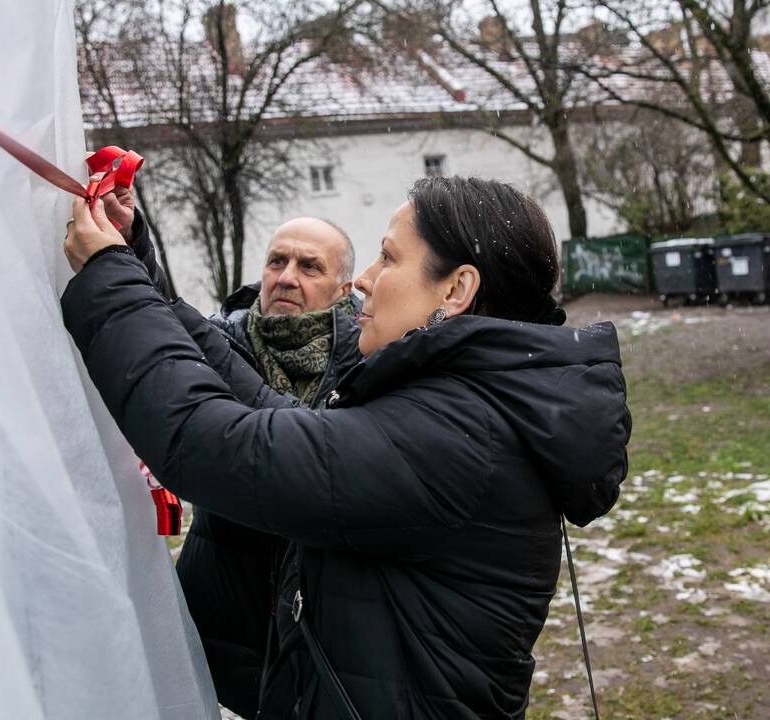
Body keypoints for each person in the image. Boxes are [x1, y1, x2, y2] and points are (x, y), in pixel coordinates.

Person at [62, 177, 631, 719]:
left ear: (456, 289)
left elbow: (212, 441)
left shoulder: (456, 435)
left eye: (389, 258)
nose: (363, 278)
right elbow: (267, 408)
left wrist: (110, 281)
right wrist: (137, 269)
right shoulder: (466, 408)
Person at [100, 189, 363, 716]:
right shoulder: (221, 342)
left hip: (327, 637)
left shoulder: (366, 362)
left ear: (344, 289)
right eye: (277, 261)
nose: (287, 277)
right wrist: (127, 243)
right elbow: (155, 324)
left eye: (310, 266)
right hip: (215, 622)